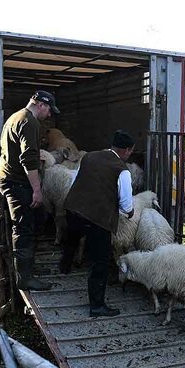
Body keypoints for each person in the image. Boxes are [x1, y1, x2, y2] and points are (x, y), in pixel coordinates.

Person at [61, 130, 135, 317]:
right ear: (126, 150)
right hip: (97, 219)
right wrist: (130, 211)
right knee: (99, 261)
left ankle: (64, 266)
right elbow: (126, 203)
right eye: (130, 151)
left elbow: (77, 179)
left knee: (72, 238)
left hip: (73, 208)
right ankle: (97, 306)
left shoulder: (90, 157)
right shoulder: (122, 169)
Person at [0, 90, 60, 291]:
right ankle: (24, 278)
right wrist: (37, 189)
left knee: (38, 218)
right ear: (41, 104)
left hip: (11, 176)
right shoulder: (30, 122)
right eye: (49, 109)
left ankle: (29, 269)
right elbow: (28, 158)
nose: (49, 115)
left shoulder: (14, 117)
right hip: (16, 181)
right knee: (23, 227)